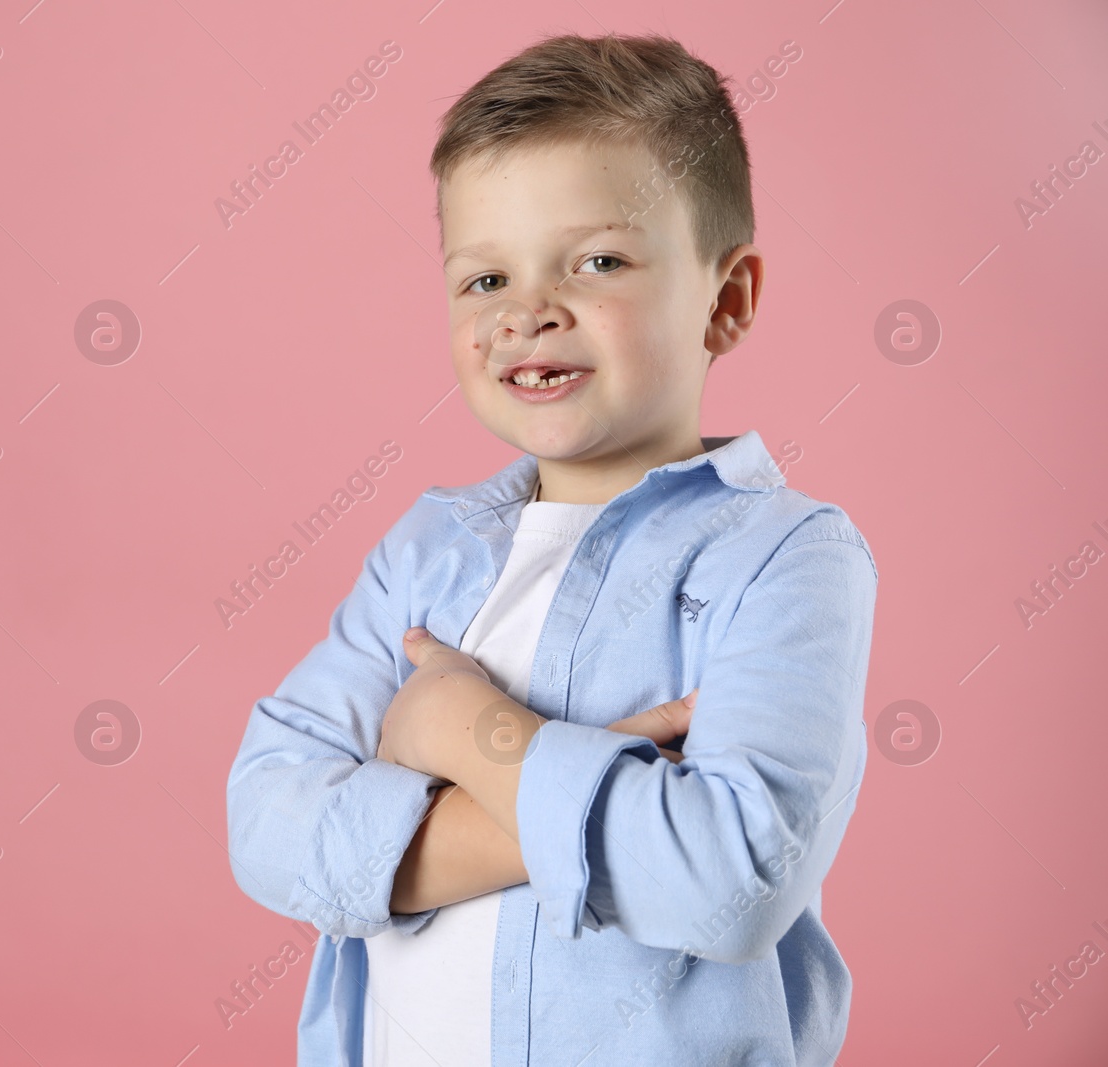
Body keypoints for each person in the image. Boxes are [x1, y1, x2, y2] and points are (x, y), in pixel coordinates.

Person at [225, 31, 878, 1066]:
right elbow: (266, 822)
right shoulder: (427, 552)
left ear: (728, 297)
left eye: (598, 260)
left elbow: (730, 880)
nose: (527, 310)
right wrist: (572, 790)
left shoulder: (781, 557)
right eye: (483, 280)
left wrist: (464, 728)